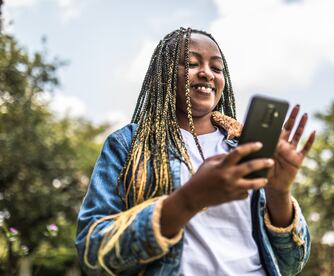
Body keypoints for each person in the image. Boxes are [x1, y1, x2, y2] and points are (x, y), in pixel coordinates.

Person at [75, 27, 316, 276]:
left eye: (217, 68)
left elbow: (291, 264)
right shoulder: (129, 144)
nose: (207, 74)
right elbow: (92, 254)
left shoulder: (245, 148)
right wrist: (189, 199)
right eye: (191, 63)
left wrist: (279, 193)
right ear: (164, 75)